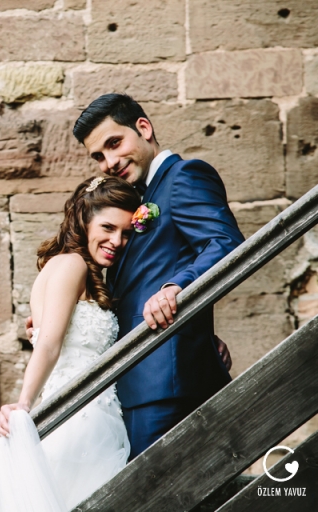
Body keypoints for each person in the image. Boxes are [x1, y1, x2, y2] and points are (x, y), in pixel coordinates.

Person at [69, 93, 243, 459]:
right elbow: (141, 278)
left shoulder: (184, 176)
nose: (109, 161)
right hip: (138, 380)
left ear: (144, 128)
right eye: (99, 156)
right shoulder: (135, 199)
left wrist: (174, 290)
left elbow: (223, 241)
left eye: (114, 143)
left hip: (165, 382)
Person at [0, 176, 141, 512]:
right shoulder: (71, 264)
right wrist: (23, 405)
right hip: (81, 421)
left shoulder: (76, 271)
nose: (117, 241)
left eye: (126, 233)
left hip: (94, 412)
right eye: (108, 227)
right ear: (84, 220)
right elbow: (49, 344)